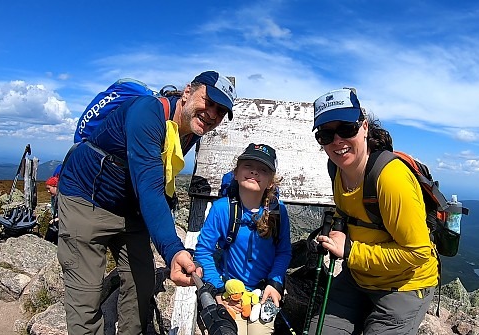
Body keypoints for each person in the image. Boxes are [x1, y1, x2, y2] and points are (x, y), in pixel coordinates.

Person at [57, 70, 236, 335]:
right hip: (86, 201)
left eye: (221, 111)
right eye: (209, 102)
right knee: (86, 299)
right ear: (187, 92)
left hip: (131, 210)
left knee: (140, 285)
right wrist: (174, 250)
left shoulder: (189, 131)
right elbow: (150, 186)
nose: (212, 114)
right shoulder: (147, 113)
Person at [308, 88, 438, 335]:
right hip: (358, 277)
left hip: (404, 285)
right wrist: (331, 236)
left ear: (364, 127)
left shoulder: (391, 178)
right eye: (326, 134)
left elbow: (418, 253)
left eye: (347, 129)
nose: (337, 141)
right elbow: (346, 213)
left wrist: (349, 250)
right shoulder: (336, 168)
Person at [195, 143, 292, 335]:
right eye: (248, 166)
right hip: (229, 291)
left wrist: (274, 283)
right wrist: (218, 289)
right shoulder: (222, 209)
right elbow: (203, 251)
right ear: (236, 173)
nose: (254, 172)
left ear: (271, 182)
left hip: (263, 293)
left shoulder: (278, 212)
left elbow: (283, 251)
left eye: (263, 170)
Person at [44, 176, 59, 244]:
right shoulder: (54, 198)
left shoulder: (63, 199)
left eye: (49, 188)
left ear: (55, 186)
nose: (48, 191)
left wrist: (58, 219)